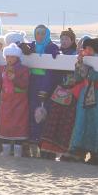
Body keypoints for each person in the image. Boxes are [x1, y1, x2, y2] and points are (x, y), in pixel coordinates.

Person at [40, 29, 80, 159]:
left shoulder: (76, 54)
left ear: (72, 41)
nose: (63, 41)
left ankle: (64, 152)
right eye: (62, 39)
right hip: (58, 91)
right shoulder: (57, 53)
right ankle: (47, 151)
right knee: (53, 120)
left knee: (66, 123)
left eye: (66, 39)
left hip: (71, 93)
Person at [22, 25, 60, 157]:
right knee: (31, 112)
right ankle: (32, 144)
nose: (39, 35)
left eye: (42, 33)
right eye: (37, 33)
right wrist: (21, 47)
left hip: (45, 83)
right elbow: (19, 46)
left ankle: (43, 147)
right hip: (32, 83)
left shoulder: (51, 47)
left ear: (47, 35)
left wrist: (46, 88)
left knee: (43, 114)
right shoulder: (32, 46)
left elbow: (51, 71)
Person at [69, 37, 98, 164]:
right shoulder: (84, 62)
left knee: (95, 121)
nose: (86, 51)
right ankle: (78, 150)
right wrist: (79, 65)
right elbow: (77, 77)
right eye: (85, 49)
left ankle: (94, 152)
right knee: (81, 120)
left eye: (89, 49)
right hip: (85, 92)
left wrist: (86, 70)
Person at [0, 43, 30, 157]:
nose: (10, 59)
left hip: (19, 100)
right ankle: (5, 149)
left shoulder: (24, 69)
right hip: (6, 100)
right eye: (8, 57)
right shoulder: (2, 68)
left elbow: (25, 84)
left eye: (12, 57)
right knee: (5, 124)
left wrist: (15, 78)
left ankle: (17, 151)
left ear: (17, 57)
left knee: (19, 124)